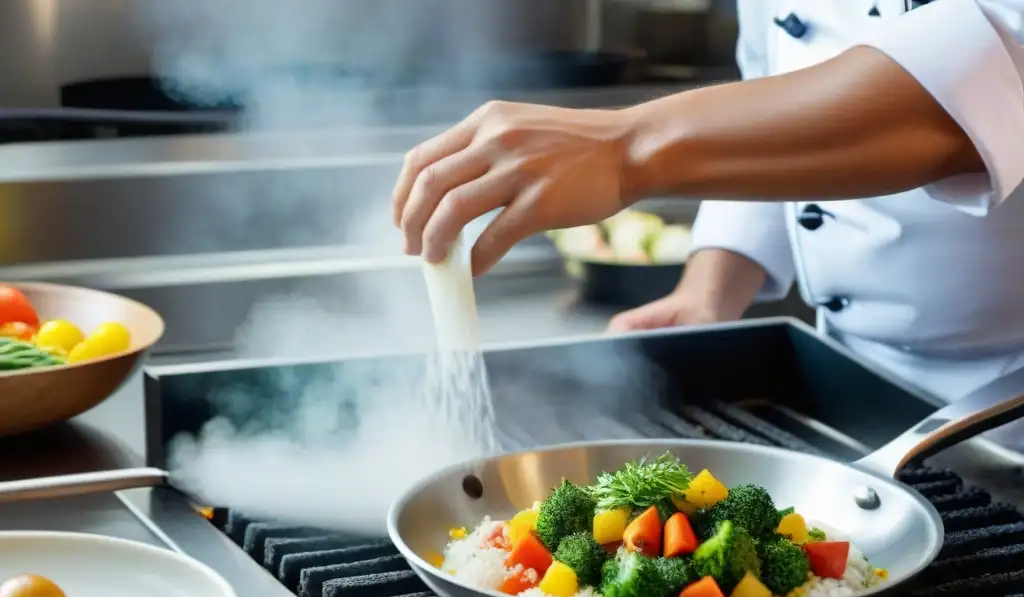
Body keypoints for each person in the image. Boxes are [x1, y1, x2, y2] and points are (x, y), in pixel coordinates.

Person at [392, 0, 1024, 451]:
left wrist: (627, 147)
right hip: (857, 392)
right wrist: (711, 287)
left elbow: (986, 81)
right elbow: (779, 90)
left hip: (1007, 398)